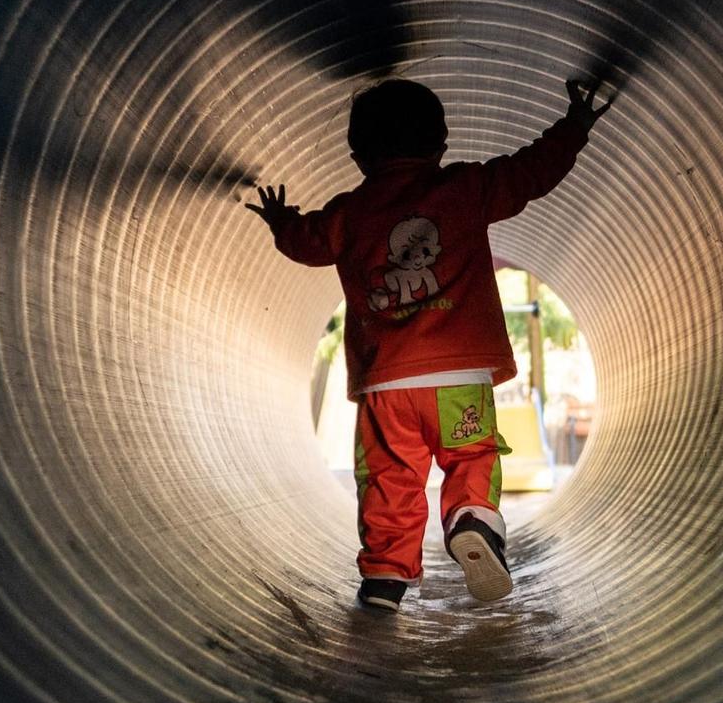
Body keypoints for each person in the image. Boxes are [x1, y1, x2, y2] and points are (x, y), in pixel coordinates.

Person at [247, 77, 614, 612]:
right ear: (442, 145)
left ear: (357, 156)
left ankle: (384, 578)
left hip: (386, 385)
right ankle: (471, 519)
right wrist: (573, 128)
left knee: (390, 479)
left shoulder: (349, 212)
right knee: (471, 457)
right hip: (458, 378)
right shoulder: (465, 188)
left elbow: (306, 243)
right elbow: (529, 173)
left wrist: (281, 220)